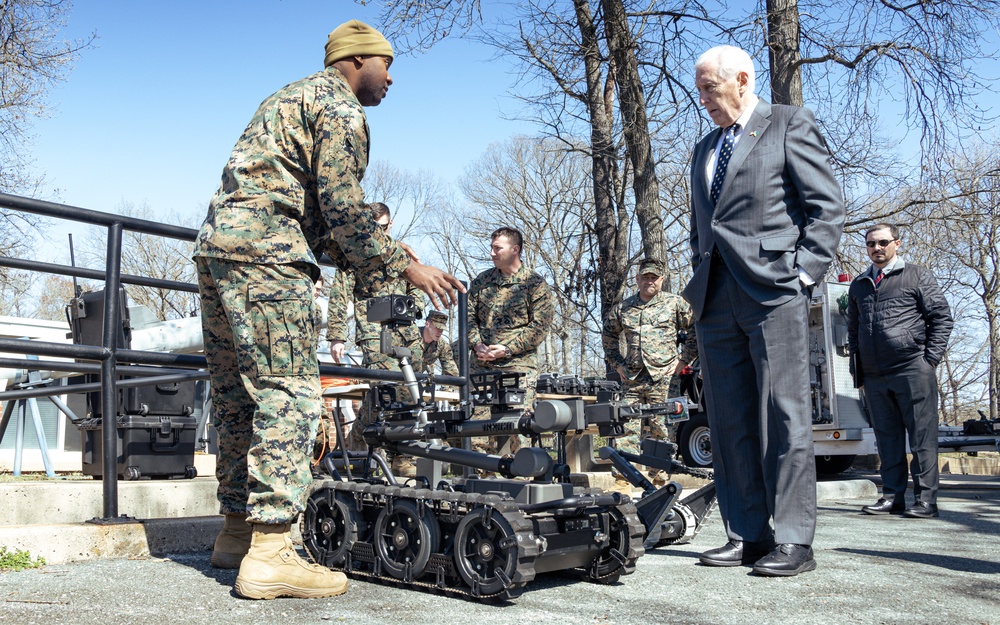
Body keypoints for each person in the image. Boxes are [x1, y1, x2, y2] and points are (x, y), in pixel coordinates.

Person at [193, 20, 463, 600]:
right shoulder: (341, 110)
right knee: (289, 392)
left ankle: (238, 533)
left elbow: (320, 216)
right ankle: (271, 552)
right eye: (386, 65)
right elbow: (341, 207)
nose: (391, 78)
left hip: (218, 251)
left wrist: (382, 253)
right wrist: (400, 266)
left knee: (241, 395)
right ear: (356, 59)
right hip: (270, 257)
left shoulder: (288, 96)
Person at [681, 45, 845, 576]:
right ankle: (748, 533)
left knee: (784, 416)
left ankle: (795, 540)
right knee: (728, 424)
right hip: (715, 300)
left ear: (743, 79)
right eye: (700, 88)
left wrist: (802, 273)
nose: (702, 98)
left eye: (710, 87)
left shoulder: (787, 125)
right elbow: (702, 227)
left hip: (774, 292)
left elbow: (826, 207)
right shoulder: (705, 146)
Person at [848, 224, 953, 519]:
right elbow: (854, 331)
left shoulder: (916, 275)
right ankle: (892, 497)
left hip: (912, 368)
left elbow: (942, 318)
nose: (877, 248)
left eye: (883, 242)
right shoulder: (859, 284)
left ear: (897, 243)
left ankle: (926, 500)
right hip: (874, 375)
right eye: (871, 244)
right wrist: (860, 373)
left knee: (921, 438)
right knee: (887, 439)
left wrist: (928, 359)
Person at [602, 257, 698, 482]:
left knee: (664, 427)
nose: (649, 282)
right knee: (625, 425)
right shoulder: (624, 308)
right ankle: (622, 478)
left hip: (664, 376)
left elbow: (695, 328)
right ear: (637, 279)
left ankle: (661, 475)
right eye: (645, 277)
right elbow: (608, 335)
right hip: (632, 377)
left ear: (661, 280)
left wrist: (684, 360)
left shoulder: (675, 304)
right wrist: (617, 363)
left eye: (654, 278)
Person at [467, 226, 554, 453]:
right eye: (492, 248)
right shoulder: (481, 282)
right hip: (482, 364)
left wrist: (506, 349)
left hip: (518, 366)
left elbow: (540, 327)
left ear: (515, 250)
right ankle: (481, 473)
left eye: (498, 248)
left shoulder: (534, 284)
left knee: (520, 424)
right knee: (477, 424)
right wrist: (477, 345)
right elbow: (468, 319)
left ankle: (523, 473)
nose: (492, 253)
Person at [417, 310, 459, 378]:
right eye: (437, 328)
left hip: (415, 380)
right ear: (427, 324)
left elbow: (451, 372)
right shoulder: (411, 336)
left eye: (442, 329)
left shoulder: (442, 345)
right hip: (398, 375)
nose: (439, 332)